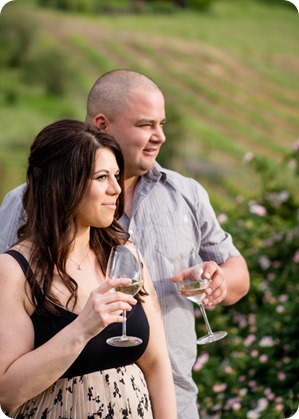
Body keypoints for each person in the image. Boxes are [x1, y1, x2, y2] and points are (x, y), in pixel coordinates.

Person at [0, 70, 250, 419]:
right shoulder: (21, 206)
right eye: (147, 125)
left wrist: (220, 280)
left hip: (172, 402)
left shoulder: (184, 197)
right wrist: (83, 326)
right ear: (102, 124)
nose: (159, 136)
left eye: (162, 124)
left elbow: (236, 273)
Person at [0, 119, 177, 419]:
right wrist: (83, 328)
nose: (115, 189)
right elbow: (7, 393)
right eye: (102, 177)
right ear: (62, 183)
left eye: (117, 176)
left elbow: (157, 364)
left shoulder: (125, 254)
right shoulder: (13, 271)